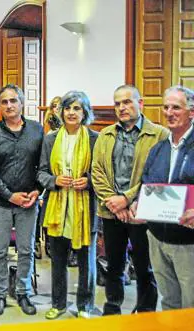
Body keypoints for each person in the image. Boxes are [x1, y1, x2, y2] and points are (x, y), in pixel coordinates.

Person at [92, 85, 167, 315]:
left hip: (142, 212)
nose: (122, 107)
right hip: (111, 211)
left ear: (140, 103)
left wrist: (126, 198)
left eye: (127, 102)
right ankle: (113, 308)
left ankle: (145, 312)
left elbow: (157, 173)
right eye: (117, 104)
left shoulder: (159, 134)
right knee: (114, 265)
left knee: (145, 267)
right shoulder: (105, 135)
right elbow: (97, 172)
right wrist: (113, 202)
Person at [0, 84, 44, 316]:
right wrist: (10, 195)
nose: (9, 105)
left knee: (26, 249)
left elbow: (45, 165)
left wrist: (37, 191)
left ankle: (23, 292)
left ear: (22, 103)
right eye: (4, 102)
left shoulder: (37, 131)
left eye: (13, 101)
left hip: (29, 201)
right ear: (0, 106)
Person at [130, 85, 194, 310]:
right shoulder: (158, 149)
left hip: (188, 243)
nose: (169, 112)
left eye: (176, 107)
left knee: (190, 306)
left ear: (191, 112)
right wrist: (139, 204)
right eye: (166, 107)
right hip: (157, 238)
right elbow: (147, 184)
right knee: (168, 302)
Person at [38, 91, 99, 319]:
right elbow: (41, 173)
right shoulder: (50, 139)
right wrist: (54, 181)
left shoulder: (96, 138)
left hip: (86, 208)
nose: (71, 113)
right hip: (57, 206)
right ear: (61, 112)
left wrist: (89, 181)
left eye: (77, 108)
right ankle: (58, 303)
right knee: (58, 259)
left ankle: (85, 305)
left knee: (86, 260)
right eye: (68, 108)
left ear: (85, 113)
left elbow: (103, 175)